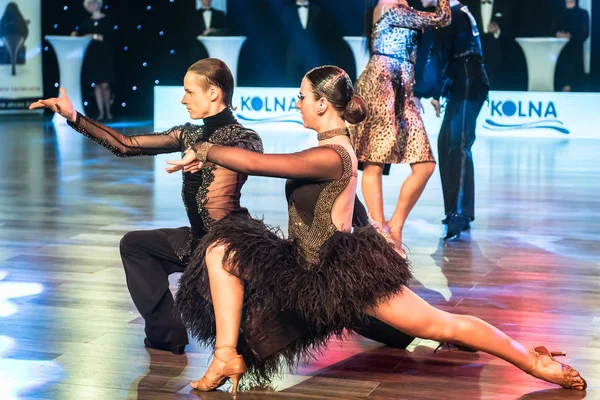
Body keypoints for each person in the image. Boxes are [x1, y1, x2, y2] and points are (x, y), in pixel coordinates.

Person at [169, 65, 586, 394]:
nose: (296, 103)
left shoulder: (333, 154)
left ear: (322, 104)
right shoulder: (330, 148)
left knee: (442, 325)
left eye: (301, 97)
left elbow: (258, 164)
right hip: (306, 264)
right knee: (221, 250)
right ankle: (226, 356)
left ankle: (533, 360)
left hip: (332, 274)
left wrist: (205, 148)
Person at [29, 58, 264, 356]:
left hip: (229, 243)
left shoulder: (244, 137)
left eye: (190, 92)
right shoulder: (188, 134)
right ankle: (168, 333)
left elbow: (249, 158)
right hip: (197, 240)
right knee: (135, 245)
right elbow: (125, 145)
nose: (183, 99)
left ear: (214, 93)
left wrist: (209, 154)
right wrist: (74, 116)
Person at [348, 0, 451, 257]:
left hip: (402, 89)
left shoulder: (403, 8)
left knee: (425, 165)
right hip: (380, 85)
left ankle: (395, 225)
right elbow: (441, 18)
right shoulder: (390, 6)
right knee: (374, 163)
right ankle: (380, 232)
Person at [413, 0, 489, 240]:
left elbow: (438, 58)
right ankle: (458, 212)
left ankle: (458, 214)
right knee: (449, 145)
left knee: (457, 146)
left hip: (468, 83)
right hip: (462, 84)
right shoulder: (456, 12)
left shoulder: (451, 15)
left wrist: (420, 91)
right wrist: (436, 92)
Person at [71, 0, 115, 121]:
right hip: (92, 56)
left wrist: (93, 36)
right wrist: (75, 34)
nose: (92, 6)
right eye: (90, 4)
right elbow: (79, 34)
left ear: (98, 4)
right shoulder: (86, 22)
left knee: (105, 85)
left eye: (94, 3)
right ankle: (101, 113)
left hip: (105, 56)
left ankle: (109, 111)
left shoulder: (107, 20)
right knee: (96, 84)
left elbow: (107, 37)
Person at [555, 0, 590, 92]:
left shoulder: (583, 13)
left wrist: (570, 36)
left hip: (575, 51)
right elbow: (550, 29)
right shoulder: (557, 12)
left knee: (574, 74)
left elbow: (585, 33)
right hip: (558, 50)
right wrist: (557, 34)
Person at [0, 2, 29, 76]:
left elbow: (1, 26)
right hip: (20, 34)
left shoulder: (4, 17)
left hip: (6, 35)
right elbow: (25, 29)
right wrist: (23, 40)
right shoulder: (19, 17)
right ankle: (14, 67)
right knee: (17, 47)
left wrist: (3, 40)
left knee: (7, 46)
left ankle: (12, 65)